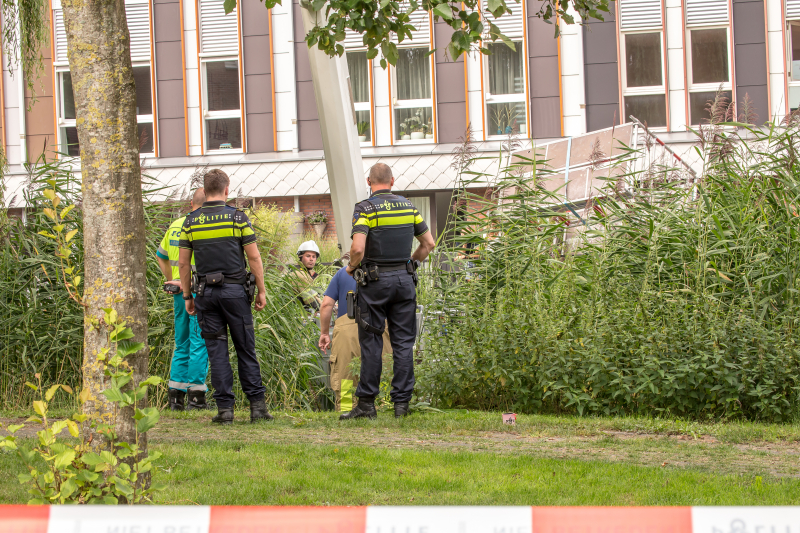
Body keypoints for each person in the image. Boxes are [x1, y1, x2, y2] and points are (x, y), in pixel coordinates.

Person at [340, 163, 436, 420]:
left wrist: (351, 267)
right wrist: (411, 264)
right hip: (404, 282)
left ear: (369, 181)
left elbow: (358, 249)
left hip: (375, 283)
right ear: (392, 181)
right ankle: (401, 405)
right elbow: (429, 243)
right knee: (403, 343)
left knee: (371, 342)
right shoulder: (409, 207)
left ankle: (367, 405)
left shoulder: (365, 208)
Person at [178, 169, 271, 425]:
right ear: (227, 189)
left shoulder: (190, 221)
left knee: (217, 352)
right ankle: (257, 408)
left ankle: (225, 411)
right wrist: (261, 289)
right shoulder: (238, 218)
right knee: (245, 349)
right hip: (235, 293)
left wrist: (188, 296)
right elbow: (253, 257)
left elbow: (183, 265)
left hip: (206, 294)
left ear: (205, 190)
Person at [156, 188, 210, 411]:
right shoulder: (205, 225)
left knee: (182, 341)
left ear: (191, 203)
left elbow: (161, 256)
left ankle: (175, 397)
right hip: (198, 291)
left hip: (179, 292)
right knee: (200, 342)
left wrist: (174, 279)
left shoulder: (176, 224)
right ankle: (196, 397)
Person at [318, 266, 392, 412]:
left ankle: (346, 409)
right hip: (379, 326)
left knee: (345, 375)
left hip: (346, 328)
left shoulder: (342, 273)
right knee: (383, 369)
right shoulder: (387, 271)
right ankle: (383, 408)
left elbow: (326, 305)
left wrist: (325, 332)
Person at [287, 241, 325, 311]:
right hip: (295, 314)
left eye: (314, 257)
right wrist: (328, 308)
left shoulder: (307, 273)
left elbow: (315, 297)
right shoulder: (300, 274)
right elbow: (311, 302)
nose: (311, 259)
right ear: (300, 257)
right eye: (308, 256)